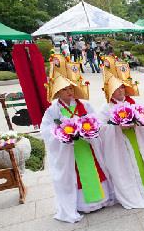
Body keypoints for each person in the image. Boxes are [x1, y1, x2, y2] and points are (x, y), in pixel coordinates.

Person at [41, 54, 114, 222]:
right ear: (57, 91)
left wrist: (89, 128)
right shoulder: (53, 110)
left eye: (71, 88)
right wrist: (63, 133)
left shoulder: (85, 105)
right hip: (69, 150)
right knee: (75, 175)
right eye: (65, 89)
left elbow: (95, 120)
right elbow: (46, 129)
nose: (69, 92)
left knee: (94, 169)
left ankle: (100, 199)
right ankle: (82, 204)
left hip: (87, 146)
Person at [99, 56, 144, 208]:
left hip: (138, 140)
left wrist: (139, 120)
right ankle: (134, 192)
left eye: (122, 87)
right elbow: (101, 128)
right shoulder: (106, 108)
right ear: (110, 91)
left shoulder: (131, 103)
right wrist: (117, 126)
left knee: (143, 161)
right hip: (121, 144)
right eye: (117, 88)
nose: (120, 91)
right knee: (127, 167)